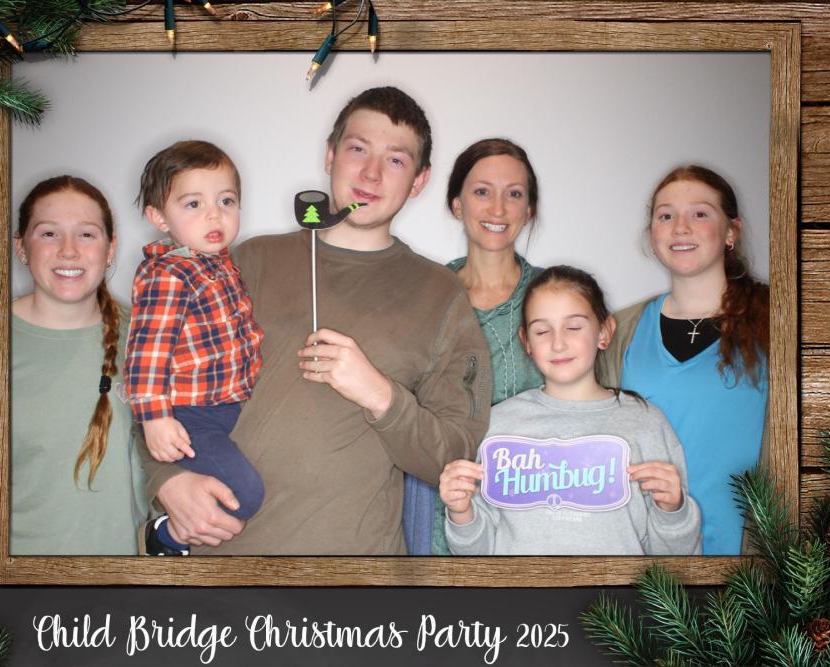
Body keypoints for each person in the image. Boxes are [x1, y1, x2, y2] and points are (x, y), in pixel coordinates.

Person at [143, 86, 493, 554]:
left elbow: (455, 457)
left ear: (419, 181)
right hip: (224, 568)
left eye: (395, 160)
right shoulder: (241, 262)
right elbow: (153, 375)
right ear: (330, 156)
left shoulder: (441, 295)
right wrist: (166, 481)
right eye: (357, 149)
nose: (371, 173)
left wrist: (379, 394)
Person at [441, 266, 701, 555]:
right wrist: (461, 512)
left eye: (574, 327)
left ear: (604, 331)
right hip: (518, 586)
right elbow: (476, 555)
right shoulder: (497, 426)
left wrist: (673, 510)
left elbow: (676, 560)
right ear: (527, 342)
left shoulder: (646, 423)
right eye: (542, 331)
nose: (558, 343)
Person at [599, 165, 769, 555]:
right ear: (652, 234)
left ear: (731, 232)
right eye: (666, 216)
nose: (680, 227)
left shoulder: (779, 323)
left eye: (700, 213)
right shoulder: (619, 331)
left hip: (752, 562)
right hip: (651, 563)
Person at [403, 138, 543, 555]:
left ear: (529, 209)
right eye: (482, 191)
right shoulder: (423, 296)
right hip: (437, 510)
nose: (498, 209)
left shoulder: (556, 299)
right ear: (456, 204)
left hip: (533, 512)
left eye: (513, 194)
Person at [126, 140, 265, 556]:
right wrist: (155, 418)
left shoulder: (220, 264)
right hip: (192, 415)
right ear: (159, 217)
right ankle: (165, 537)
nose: (214, 214)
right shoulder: (170, 274)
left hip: (228, 405)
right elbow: (147, 351)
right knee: (245, 494)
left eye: (226, 201)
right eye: (193, 204)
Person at [11, 175, 146, 555]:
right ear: (21, 247)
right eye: (49, 234)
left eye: (86, 234)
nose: (68, 251)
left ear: (110, 248)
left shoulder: (151, 337)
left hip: (127, 580)